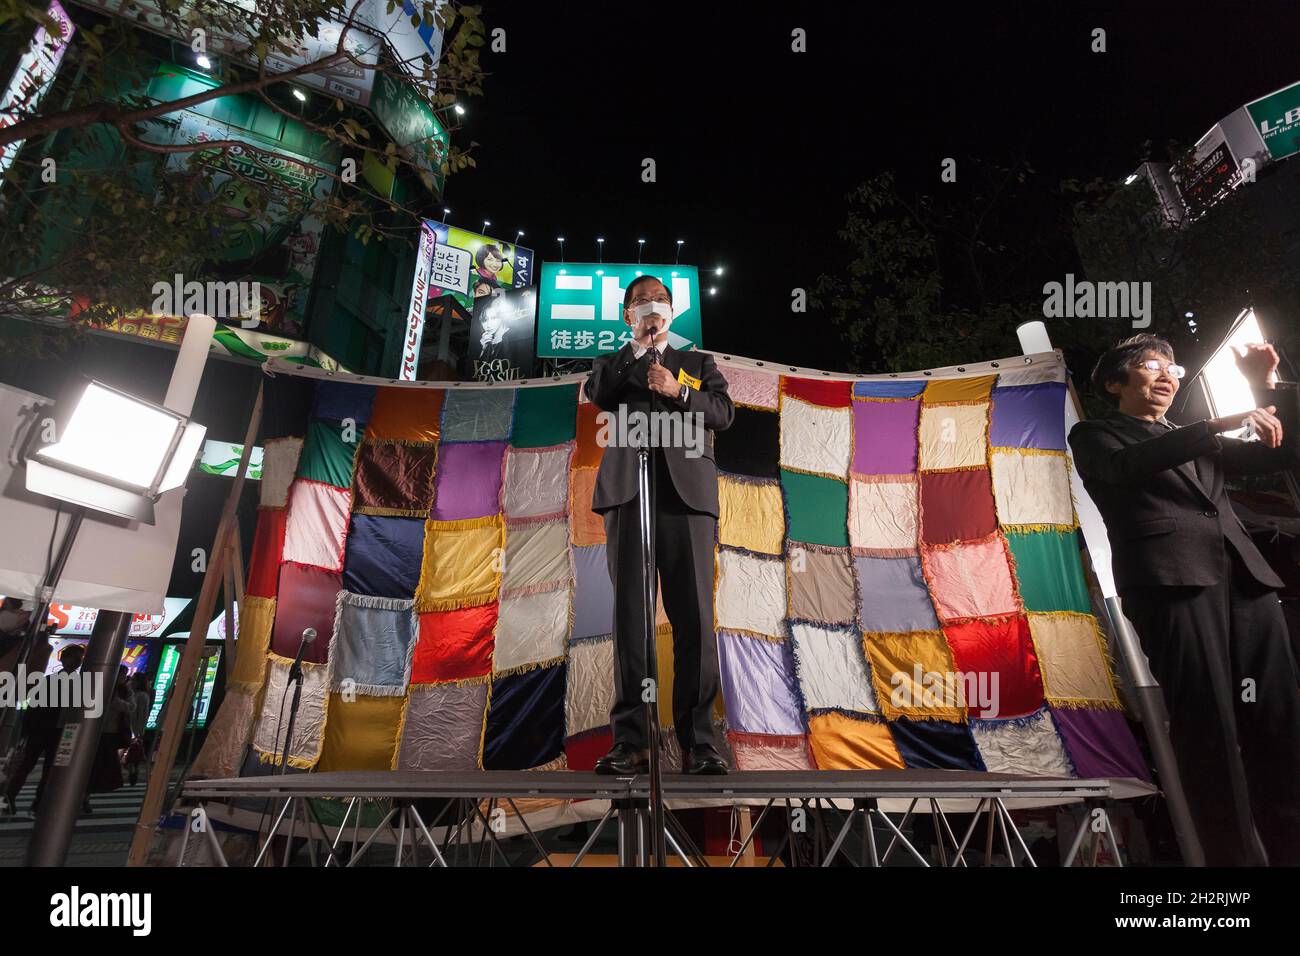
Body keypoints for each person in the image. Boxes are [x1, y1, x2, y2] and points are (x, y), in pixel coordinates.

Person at [1068, 333, 1300, 866]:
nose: (1168, 374)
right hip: (1172, 584)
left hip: (1245, 582)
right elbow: (1126, 469)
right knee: (1208, 729)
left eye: (1175, 367)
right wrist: (1213, 425)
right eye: (1151, 365)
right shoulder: (1096, 434)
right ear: (1114, 382)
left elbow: (1278, 448)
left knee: (1279, 721)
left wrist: (1263, 385)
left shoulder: (1194, 438)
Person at [583, 275, 735, 775]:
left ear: (674, 313)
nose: (653, 308)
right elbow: (599, 392)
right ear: (628, 314)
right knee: (632, 621)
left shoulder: (696, 363)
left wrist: (678, 388)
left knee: (693, 618)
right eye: (643, 302)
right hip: (630, 497)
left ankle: (700, 744)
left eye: (662, 302)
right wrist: (637, 351)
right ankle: (633, 743)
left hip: (686, 500)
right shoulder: (613, 363)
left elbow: (723, 412)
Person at [3, 643, 84, 816]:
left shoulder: (78, 684)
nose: (76, 662)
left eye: (79, 659)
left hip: (60, 732)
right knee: (28, 766)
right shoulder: (50, 681)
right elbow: (34, 707)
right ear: (64, 660)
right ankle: (11, 798)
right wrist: (28, 730)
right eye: (74, 658)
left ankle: (37, 803)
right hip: (43, 730)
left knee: (49, 770)